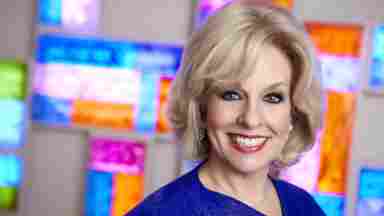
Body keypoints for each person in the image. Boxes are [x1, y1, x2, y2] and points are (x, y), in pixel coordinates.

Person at [126, 1, 325, 215]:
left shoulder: (303, 206)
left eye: (272, 97)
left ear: (293, 113)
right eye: (232, 95)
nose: (251, 119)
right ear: (202, 106)